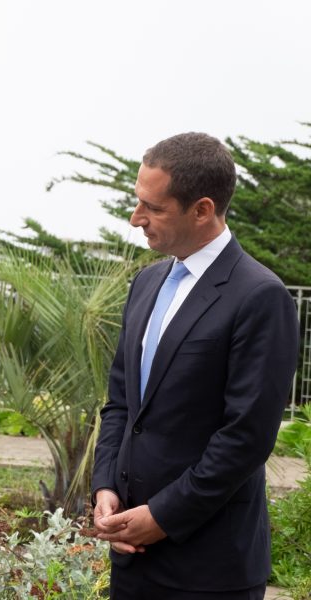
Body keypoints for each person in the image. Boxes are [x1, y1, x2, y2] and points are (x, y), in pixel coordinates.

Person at [92, 132, 299, 599]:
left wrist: (162, 517)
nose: (135, 218)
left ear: (202, 209)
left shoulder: (260, 296)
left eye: (154, 207)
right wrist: (104, 486)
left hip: (209, 566)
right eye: (136, 201)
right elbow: (121, 404)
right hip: (131, 554)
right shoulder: (146, 283)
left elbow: (246, 438)